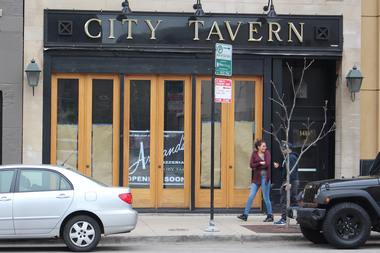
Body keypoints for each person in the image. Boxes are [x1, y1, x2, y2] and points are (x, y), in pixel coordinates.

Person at [237, 138, 274, 222]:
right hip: (256, 179)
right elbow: (251, 165)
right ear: (258, 147)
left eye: (265, 146)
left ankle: (270, 215)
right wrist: (260, 163)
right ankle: (245, 215)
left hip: (265, 178)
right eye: (263, 146)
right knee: (251, 196)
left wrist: (256, 165)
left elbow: (267, 164)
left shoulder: (267, 153)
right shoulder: (254, 154)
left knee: (266, 197)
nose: (265, 148)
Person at [273, 142, 301, 225]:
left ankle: (284, 219)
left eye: (284, 149)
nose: (283, 150)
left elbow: (291, 171)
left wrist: (289, 182)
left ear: (289, 149)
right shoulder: (289, 157)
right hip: (293, 181)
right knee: (294, 200)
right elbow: (287, 170)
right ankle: (300, 219)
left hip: (291, 181)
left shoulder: (291, 158)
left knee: (284, 200)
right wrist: (279, 167)